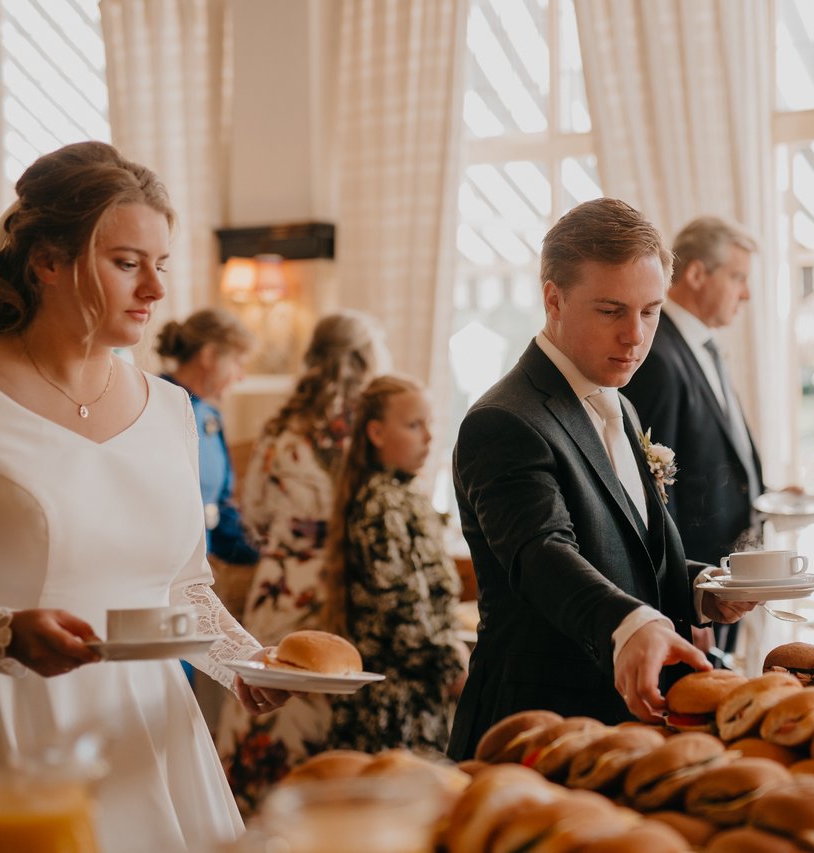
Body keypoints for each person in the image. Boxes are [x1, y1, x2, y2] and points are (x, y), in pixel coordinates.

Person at [0, 141, 290, 852]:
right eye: (127, 262)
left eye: (160, 265)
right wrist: (2, 633)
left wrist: (243, 664)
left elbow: (182, 586)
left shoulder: (172, 410)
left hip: (145, 735)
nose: (155, 290)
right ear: (48, 261)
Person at [447, 198, 752, 760]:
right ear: (553, 299)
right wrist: (631, 623)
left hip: (625, 724)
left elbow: (624, 553)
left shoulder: (622, 405)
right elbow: (542, 554)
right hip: (537, 726)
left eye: (651, 311)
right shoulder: (503, 421)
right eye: (611, 311)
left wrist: (706, 590)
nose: (635, 336)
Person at [215, 309, 385, 812]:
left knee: (270, 684)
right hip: (343, 578)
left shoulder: (281, 422)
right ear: (363, 357)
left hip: (283, 577)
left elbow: (257, 511)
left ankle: (257, 808)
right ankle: (327, 811)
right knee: (328, 694)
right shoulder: (372, 424)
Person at [623, 216, 770, 661]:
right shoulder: (658, 355)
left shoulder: (702, 345)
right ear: (697, 274)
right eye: (738, 278)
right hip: (689, 581)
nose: (745, 293)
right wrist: (683, 601)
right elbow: (652, 486)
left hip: (718, 577)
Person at [324, 374, 465, 754]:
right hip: (395, 701)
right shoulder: (381, 503)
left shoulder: (405, 495)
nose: (429, 437)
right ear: (376, 433)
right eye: (414, 425)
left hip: (419, 689)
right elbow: (403, 611)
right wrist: (455, 671)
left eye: (430, 424)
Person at [156, 309, 259, 567]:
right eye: (238, 362)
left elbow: (220, 510)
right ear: (209, 355)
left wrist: (267, 552)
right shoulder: (153, 405)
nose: (241, 376)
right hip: (161, 563)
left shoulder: (210, 417)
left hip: (197, 567)